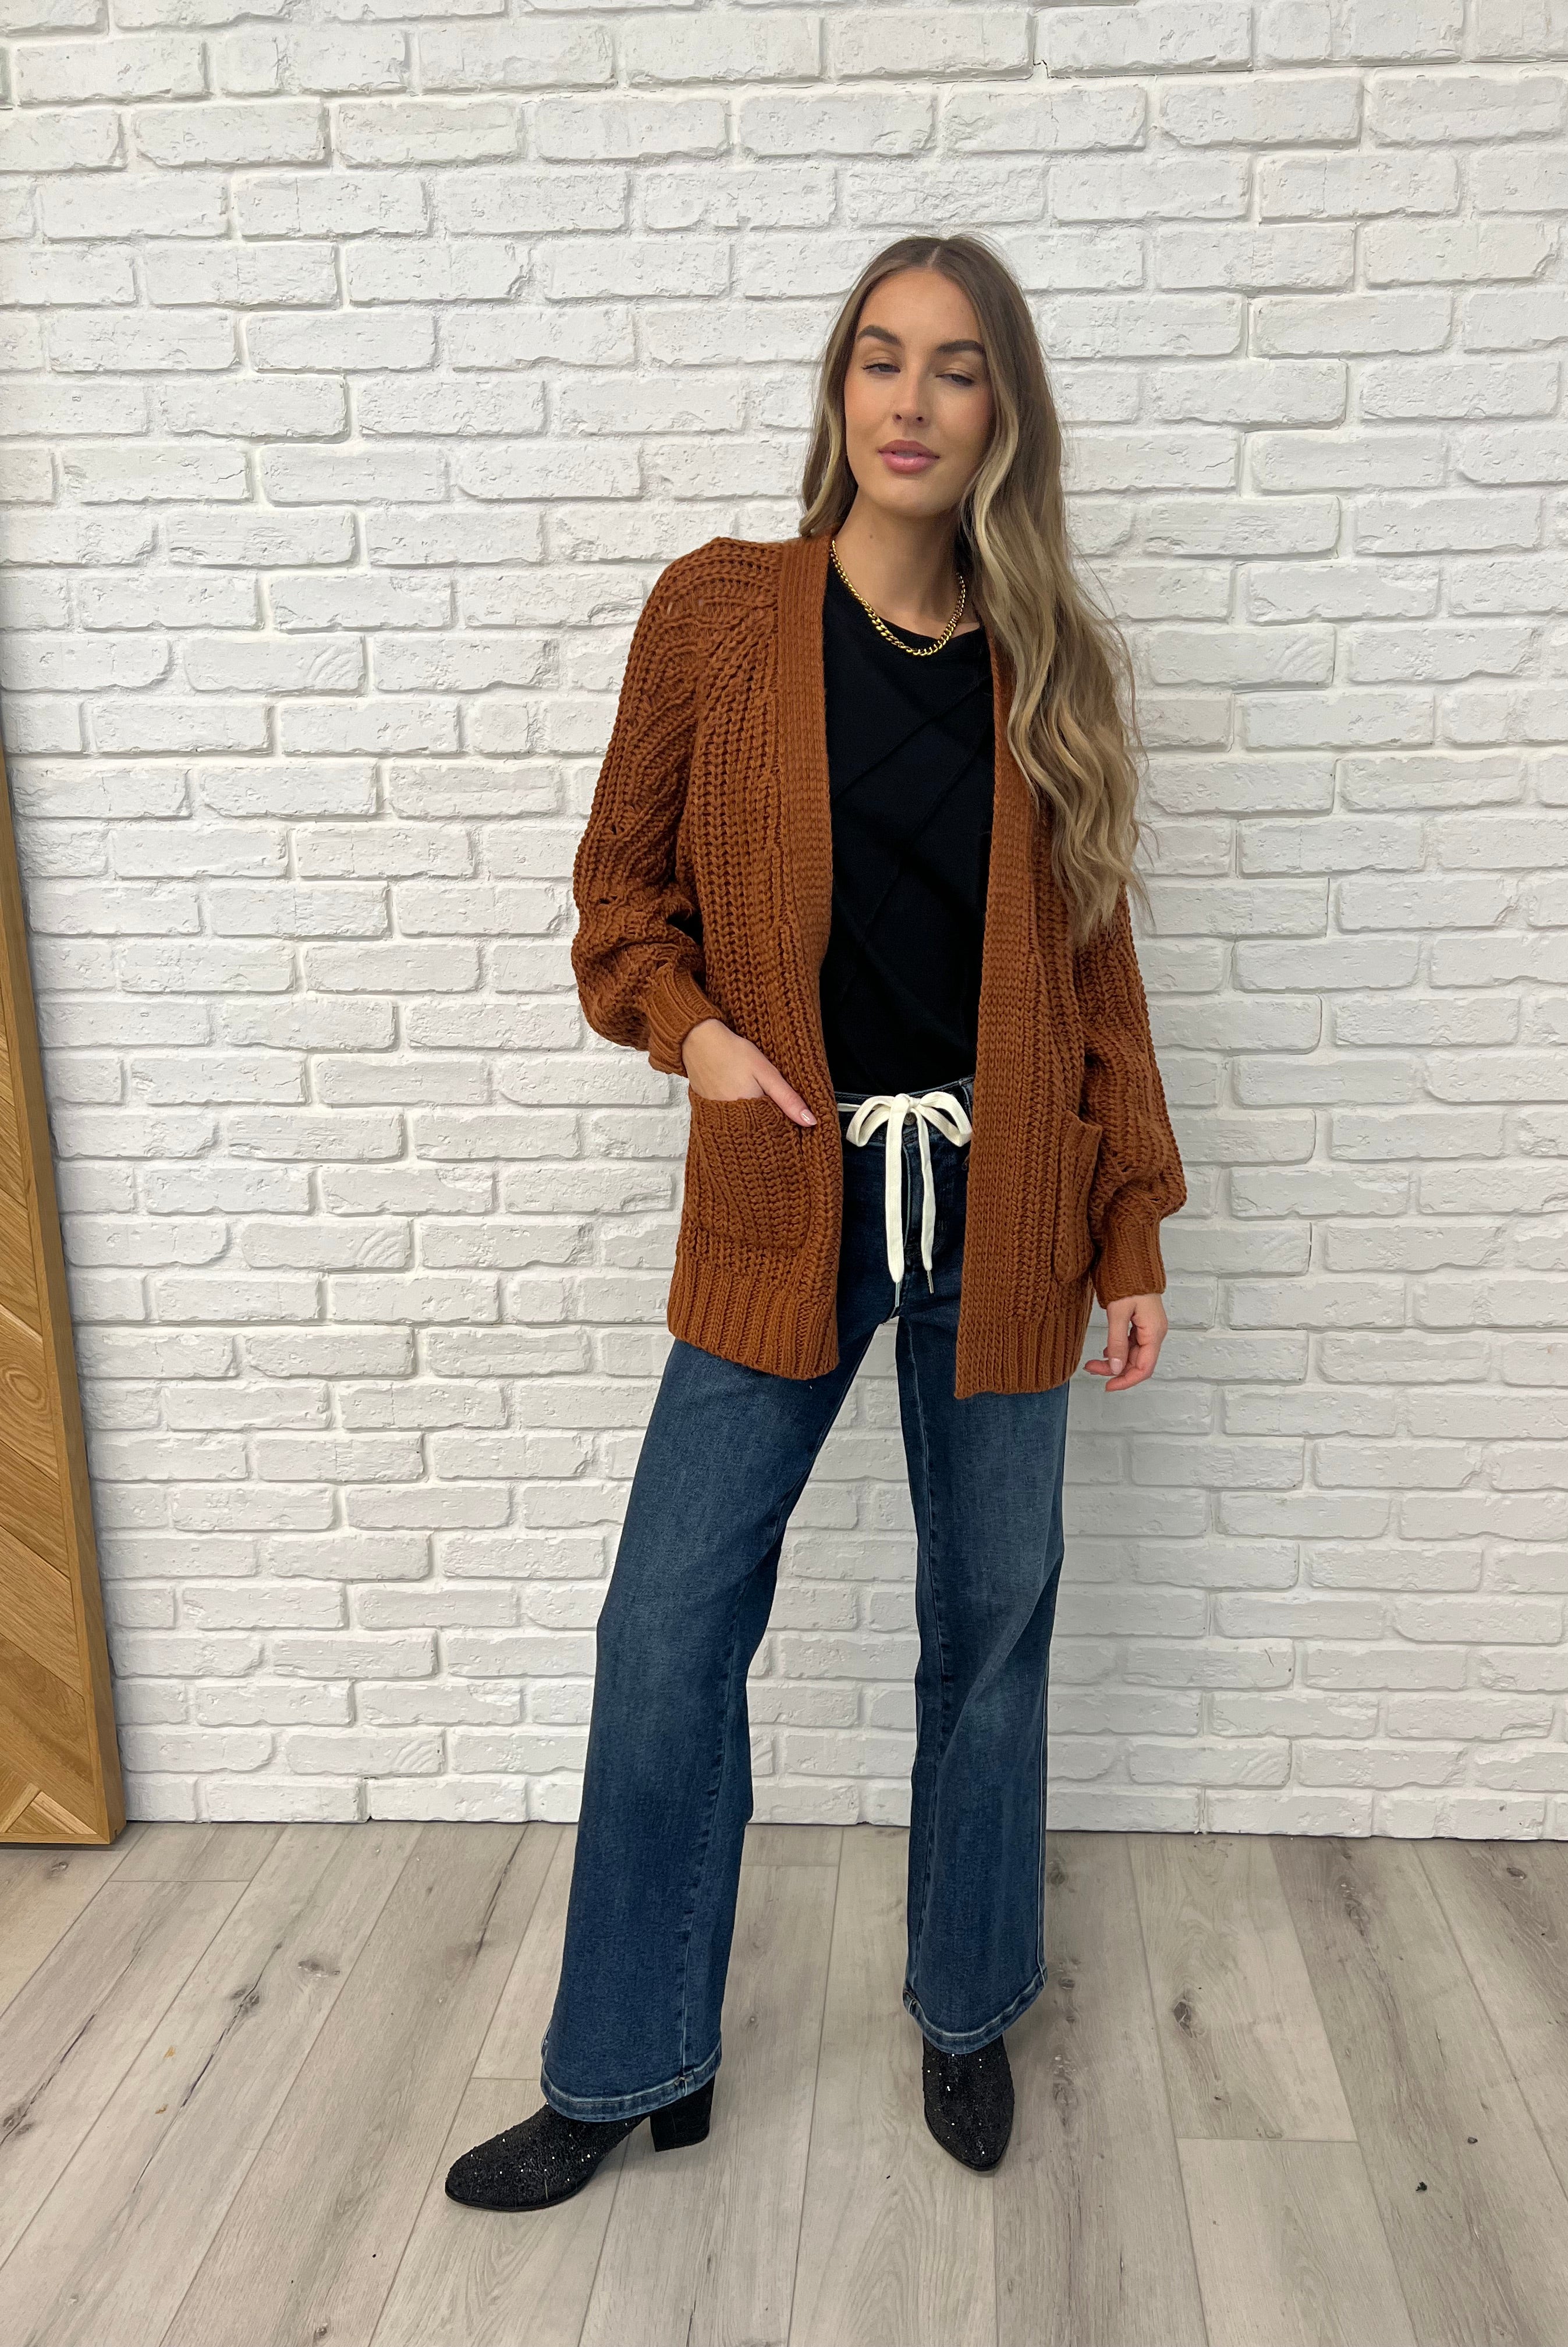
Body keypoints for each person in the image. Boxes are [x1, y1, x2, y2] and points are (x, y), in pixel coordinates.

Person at [445, 232, 1187, 2214]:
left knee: (992, 1624)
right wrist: (693, 1038)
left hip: (1006, 1207)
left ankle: (967, 2003)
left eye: (957, 366)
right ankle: (627, 2062)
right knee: (666, 1626)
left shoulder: (1051, 664)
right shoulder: (721, 612)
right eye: (881, 357)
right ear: (839, 389)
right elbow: (619, 900)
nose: (911, 400)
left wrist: (1128, 1227)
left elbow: (1098, 978)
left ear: (1005, 415)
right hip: (788, 1191)